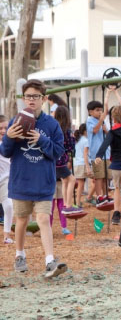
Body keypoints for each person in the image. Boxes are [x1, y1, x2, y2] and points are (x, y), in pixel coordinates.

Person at [0, 79, 67, 278]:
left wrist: (42, 139)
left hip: (43, 182)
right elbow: (5, 151)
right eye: (28, 96)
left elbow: (58, 152)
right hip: (21, 180)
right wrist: (8, 137)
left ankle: (49, 260)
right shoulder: (15, 121)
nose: (31, 100)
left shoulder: (51, 124)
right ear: (23, 98)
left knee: (44, 219)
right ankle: (20, 255)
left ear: (44, 99)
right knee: (20, 220)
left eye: (35, 96)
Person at [86, 90, 113, 205]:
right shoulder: (90, 121)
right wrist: (101, 119)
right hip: (96, 153)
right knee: (99, 176)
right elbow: (95, 130)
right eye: (97, 110)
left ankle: (106, 194)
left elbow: (106, 133)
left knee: (107, 175)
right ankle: (99, 197)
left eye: (101, 110)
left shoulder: (100, 121)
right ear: (90, 111)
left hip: (106, 152)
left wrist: (106, 129)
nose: (99, 112)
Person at [54, 106, 81, 215]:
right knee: (72, 180)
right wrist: (73, 140)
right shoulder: (66, 130)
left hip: (55, 160)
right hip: (61, 161)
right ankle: (69, 205)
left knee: (65, 181)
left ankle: (65, 204)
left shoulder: (54, 129)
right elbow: (70, 147)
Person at [0, 115, 14, 244]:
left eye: (6, 128)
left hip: (6, 181)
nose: (3, 131)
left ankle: (6, 235)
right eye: (0, 128)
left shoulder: (10, 144)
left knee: (9, 206)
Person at [73, 124, 92, 207]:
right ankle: (79, 201)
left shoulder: (78, 140)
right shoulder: (86, 140)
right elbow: (85, 154)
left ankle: (77, 202)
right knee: (81, 185)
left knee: (80, 184)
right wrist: (88, 167)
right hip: (82, 164)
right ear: (85, 131)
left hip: (77, 163)